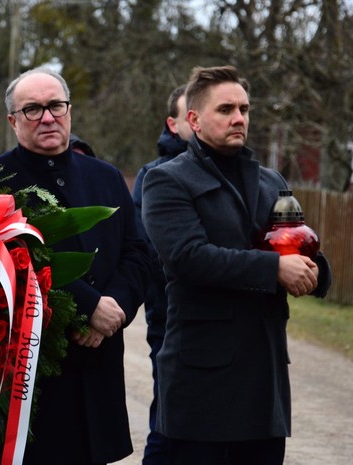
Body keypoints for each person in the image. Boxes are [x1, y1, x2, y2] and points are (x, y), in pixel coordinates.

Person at [141, 65, 332, 465]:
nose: (239, 118)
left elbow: (292, 245)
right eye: (225, 109)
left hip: (264, 379)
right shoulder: (167, 180)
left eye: (244, 109)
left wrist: (315, 270)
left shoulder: (271, 181)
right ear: (194, 120)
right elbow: (188, 257)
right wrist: (273, 270)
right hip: (202, 381)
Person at [0, 67, 150, 465]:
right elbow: (9, 266)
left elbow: (138, 254)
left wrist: (113, 309)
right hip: (34, 380)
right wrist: (87, 307)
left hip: (99, 366)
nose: (47, 118)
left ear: (69, 110)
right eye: (32, 109)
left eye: (56, 106)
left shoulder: (106, 177)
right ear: (13, 121)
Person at [131, 84, 192, 465]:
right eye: (191, 115)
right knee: (169, 429)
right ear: (173, 123)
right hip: (172, 325)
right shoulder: (154, 177)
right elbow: (153, 256)